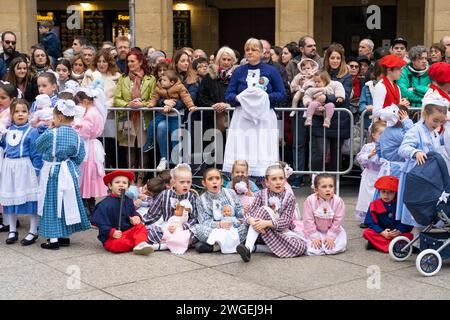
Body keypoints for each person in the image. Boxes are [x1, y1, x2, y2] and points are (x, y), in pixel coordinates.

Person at [223, 38, 286, 181]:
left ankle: (264, 180)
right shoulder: (239, 71)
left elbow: (282, 94)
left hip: (264, 118)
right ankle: (240, 179)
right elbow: (229, 94)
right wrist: (241, 98)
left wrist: (263, 97)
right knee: (243, 147)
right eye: (247, 49)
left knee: (262, 146)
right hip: (242, 117)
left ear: (262, 52)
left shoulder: (271, 71)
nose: (250, 52)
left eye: (254, 49)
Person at [36, 98, 91, 250]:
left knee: (52, 203)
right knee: (67, 201)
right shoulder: (76, 136)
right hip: (68, 170)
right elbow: (80, 156)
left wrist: (49, 129)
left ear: (59, 117)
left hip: (53, 172)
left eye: (54, 117)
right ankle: (64, 235)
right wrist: (69, 164)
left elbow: (38, 145)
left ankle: (53, 239)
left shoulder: (52, 134)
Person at [236, 164, 306, 261]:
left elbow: (286, 221)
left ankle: (256, 248)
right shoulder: (261, 194)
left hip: (278, 233)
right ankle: (248, 247)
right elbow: (249, 214)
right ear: (267, 182)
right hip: (260, 233)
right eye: (274, 179)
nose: (278, 182)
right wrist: (251, 220)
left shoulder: (289, 197)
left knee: (300, 247)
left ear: (285, 180)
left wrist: (266, 223)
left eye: (281, 178)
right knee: (263, 209)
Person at [397, 96, 448, 227]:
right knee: (416, 208)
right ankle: (417, 237)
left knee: (426, 205)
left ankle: (423, 233)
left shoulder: (434, 132)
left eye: (440, 122)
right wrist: (415, 152)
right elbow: (403, 148)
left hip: (428, 176)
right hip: (416, 176)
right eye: (435, 120)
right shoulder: (416, 130)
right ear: (425, 114)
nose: (437, 125)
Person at [0, 99, 43, 245]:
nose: (20, 114)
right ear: (11, 114)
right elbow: (4, 146)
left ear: (28, 113)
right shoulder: (6, 131)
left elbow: (37, 154)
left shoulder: (32, 131)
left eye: (23, 111)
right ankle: (12, 229)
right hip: (9, 167)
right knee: (10, 198)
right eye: (16, 111)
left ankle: (33, 230)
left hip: (24, 167)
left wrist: (36, 171)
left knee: (30, 199)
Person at [310, 44, 352, 173]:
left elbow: (343, 97)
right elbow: (312, 91)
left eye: (338, 58)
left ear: (342, 59)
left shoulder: (346, 77)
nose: (335, 60)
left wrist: (326, 98)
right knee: (320, 152)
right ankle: (316, 180)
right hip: (320, 119)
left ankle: (333, 183)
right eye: (332, 57)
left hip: (339, 120)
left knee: (336, 155)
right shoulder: (320, 74)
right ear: (327, 58)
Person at [91, 170, 154, 255]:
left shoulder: (128, 200)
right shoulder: (104, 204)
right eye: (117, 182)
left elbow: (133, 212)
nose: (121, 184)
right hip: (112, 237)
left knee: (140, 227)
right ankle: (137, 243)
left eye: (124, 183)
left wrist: (136, 217)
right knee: (117, 245)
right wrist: (111, 232)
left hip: (128, 231)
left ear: (128, 187)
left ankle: (140, 243)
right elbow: (100, 222)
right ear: (110, 186)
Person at [113, 49, 156, 170]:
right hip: (127, 117)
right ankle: (131, 178)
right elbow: (116, 99)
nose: (130, 64)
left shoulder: (150, 79)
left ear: (140, 62)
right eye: (128, 61)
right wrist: (128, 104)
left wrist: (143, 104)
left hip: (143, 118)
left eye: (132, 61)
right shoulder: (123, 78)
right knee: (130, 148)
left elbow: (154, 98)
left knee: (143, 148)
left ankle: (141, 178)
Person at [144, 164, 199, 254]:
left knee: (194, 234)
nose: (185, 185)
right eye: (182, 182)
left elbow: (195, 218)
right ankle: (172, 243)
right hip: (167, 227)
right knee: (151, 232)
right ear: (173, 182)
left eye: (188, 182)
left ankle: (162, 246)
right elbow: (153, 213)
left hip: (183, 228)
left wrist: (182, 226)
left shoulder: (191, 197)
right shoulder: (164, 194)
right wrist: (142, 223)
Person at [143, 70, 196, 163]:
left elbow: (186, 97)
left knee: (174, 135)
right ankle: (149, 142)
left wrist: (190, 106)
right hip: (163, 114)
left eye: (164, 80)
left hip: (175, 116)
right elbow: (155, 96)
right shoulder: (159, 87)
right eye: (161, 80)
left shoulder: (179, 87)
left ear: (171, 82)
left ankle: (174, 156)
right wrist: (152, 103)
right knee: (152, 124)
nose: (161, 82)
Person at [81, 48, 121, 169]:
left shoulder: (116, 76)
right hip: (93, 116)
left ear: (109, 62)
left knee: (109, 145)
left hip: (109, 116)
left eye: (104, 61)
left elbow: (117, 94)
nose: (101, 64)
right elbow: (83, 92)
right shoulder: (89, 75)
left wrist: (106, 105)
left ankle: (110, 171)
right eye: (99, 61)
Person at [192, 167, 247, 254]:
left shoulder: (230, 193)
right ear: (204, 183)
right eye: (210, 179)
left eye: (217, 178)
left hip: (233, 227)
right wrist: (219, 224)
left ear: (221, 181)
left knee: (248, 224)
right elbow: (204, 221)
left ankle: (215, 246)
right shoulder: (201, 200)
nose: (214, 181)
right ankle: (233, 244)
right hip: (216, 229)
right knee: (198, 228)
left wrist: (243, 213)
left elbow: (239, 211)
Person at [73, 88, 108, 215]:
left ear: (85, 101)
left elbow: (85, 131)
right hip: (94, 144)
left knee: (86, 173)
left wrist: (75, 126)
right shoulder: (97, 112)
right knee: (91, 173)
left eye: (79, 103)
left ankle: (86, 204)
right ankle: (90, 203)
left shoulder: (89, 114)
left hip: (88, 146)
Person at [295, 173, 347, 256]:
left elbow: (338, 220)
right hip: (315, 230)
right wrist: (315, 237)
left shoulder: (338, 201)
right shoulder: (310, 201)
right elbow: (308, 220)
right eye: (324, 187)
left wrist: (331, 236)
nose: (328, 189)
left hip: (332, 230)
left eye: (331, 186)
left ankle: (329, 242)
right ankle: (317, 242)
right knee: (313, 248)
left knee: (335, 247)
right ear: (316, 190)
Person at [363, 176, 413, 252]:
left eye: (390, 192)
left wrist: (399, 231)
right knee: (367, 232)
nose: (386, 195)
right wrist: (382, 232)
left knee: (409, 236)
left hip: (396, 233)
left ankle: (377, 244)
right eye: (383, 191)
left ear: (396, 193)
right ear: (379, 191)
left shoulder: (401, 205)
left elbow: (407, 222)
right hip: (382, 232)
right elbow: (370, 223)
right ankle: (394, 247)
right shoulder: (375, 204)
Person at [197, 46, 237, 136]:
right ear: (219, 60)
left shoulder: (237, 76)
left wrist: (228, 105)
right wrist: (213, 105)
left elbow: (241, 95)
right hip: (212, 118)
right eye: (224, 59)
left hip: (234, 118)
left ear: (233, 61)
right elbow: (202, 97)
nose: (226, 62)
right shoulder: (209, 76)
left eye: (229, 59)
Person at [355, 121, 386, 227]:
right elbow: (359, 158)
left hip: (381, 175)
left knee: (379, 197)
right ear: (373, 134)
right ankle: (366, 218)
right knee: (366, 197)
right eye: (380, 134)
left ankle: (379, 218)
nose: (383, 137)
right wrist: (369, 155)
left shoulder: (387, 147)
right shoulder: (368, 146)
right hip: (369, 175)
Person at [0, 82, 19, 233]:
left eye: (3, 97)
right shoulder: (3, 111)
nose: (0, 100)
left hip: (4, 152)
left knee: (4, 185)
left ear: (12, 99)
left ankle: (8, 220)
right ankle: (6, 219)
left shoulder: (10, 114)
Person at [372, 55, 410, 121]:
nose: (401, 71)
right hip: (383, 127)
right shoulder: (381, 86)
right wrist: (398, 106)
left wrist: (403, 105)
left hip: (395, 124)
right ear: (389, 70)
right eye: (398, 68)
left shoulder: (396, 87)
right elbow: (376, 113)